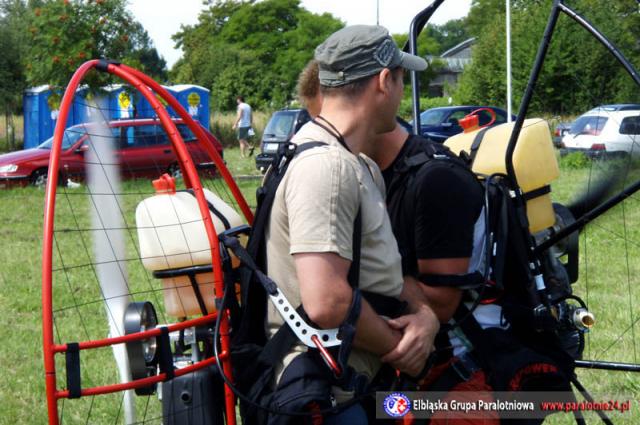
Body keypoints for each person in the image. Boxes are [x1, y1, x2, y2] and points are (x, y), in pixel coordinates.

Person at [264, 25, 439, 423]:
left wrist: (424, 314)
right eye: (399, 79)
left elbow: (381, 272)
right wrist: (403, 351)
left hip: (358, 385)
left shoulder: (357, 165)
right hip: (332, 397)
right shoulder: (326, 167)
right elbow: (327, 302)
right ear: (383, 81)